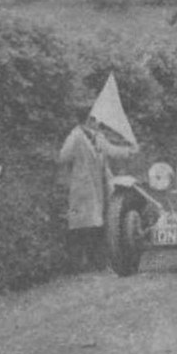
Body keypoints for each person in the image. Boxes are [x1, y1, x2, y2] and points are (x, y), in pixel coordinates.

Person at [58, 112, 137, 271]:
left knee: (99, 224)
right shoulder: (75, 137)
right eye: (94, 120)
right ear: (87, 120)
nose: (97, 123)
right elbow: (63, 157)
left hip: (99, 187)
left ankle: (99, 263)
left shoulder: (97, 137)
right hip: (82, 188)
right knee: (82, 227)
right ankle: (81, 265)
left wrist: (129, 151)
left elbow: (112, 150)